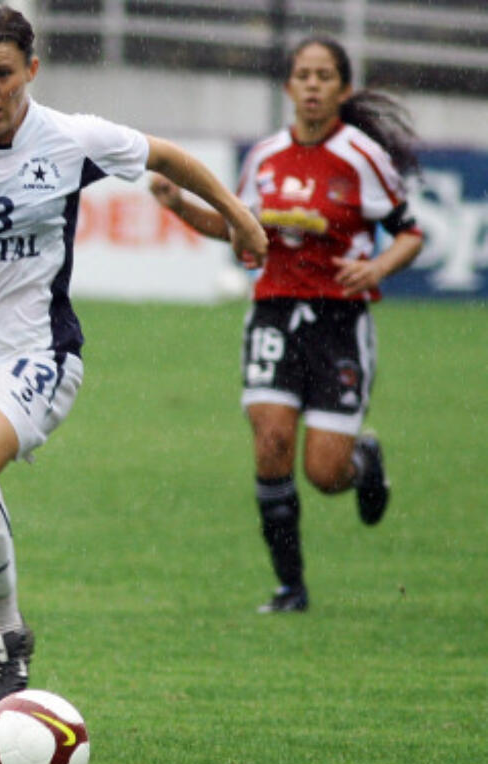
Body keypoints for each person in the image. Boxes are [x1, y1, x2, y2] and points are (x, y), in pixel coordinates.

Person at [0, 3, 267, 752]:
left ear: (32, 69)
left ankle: (9, 639)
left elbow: (167, 157)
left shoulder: (69, 138)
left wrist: (240, 217)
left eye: (2, 73)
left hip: (35, 352)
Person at [149, 36, 423, 614]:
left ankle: (362, 462)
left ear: (342, 89)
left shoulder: (361, 156)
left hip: (339, 321)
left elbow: (411, 232)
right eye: (304, 75)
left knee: (324, 472)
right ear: (288, 87)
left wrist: (376, 266)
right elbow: (235, 227)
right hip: (273, 311)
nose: (314, 85)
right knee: (271, 443)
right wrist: (177, 205)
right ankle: (290, 589)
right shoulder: (266, 158)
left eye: (325, 76)